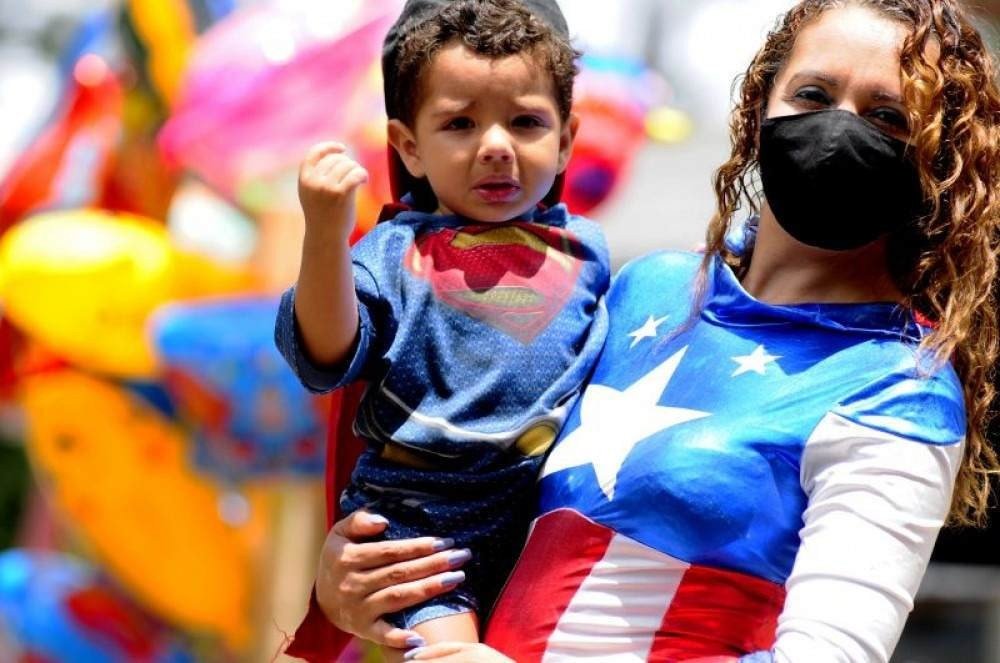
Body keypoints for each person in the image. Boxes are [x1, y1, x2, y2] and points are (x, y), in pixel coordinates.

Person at [296, 0, 1000, 661]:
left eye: (887, 118)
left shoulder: (901, 388)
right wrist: (356, 588)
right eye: (812, 97)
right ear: (758, 111)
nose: (839, 128)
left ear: (937, 161)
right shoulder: (646, 285)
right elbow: (483, 484)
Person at [273, 0, 609, 656]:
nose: (495, 145)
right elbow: (327, 351)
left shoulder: (586, 251)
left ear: (567, 137)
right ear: (409, 147)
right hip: (421, 519)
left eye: (526, 122)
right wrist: (325, 234)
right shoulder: (397, 253)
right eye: (459, 122)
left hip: (541, 518)